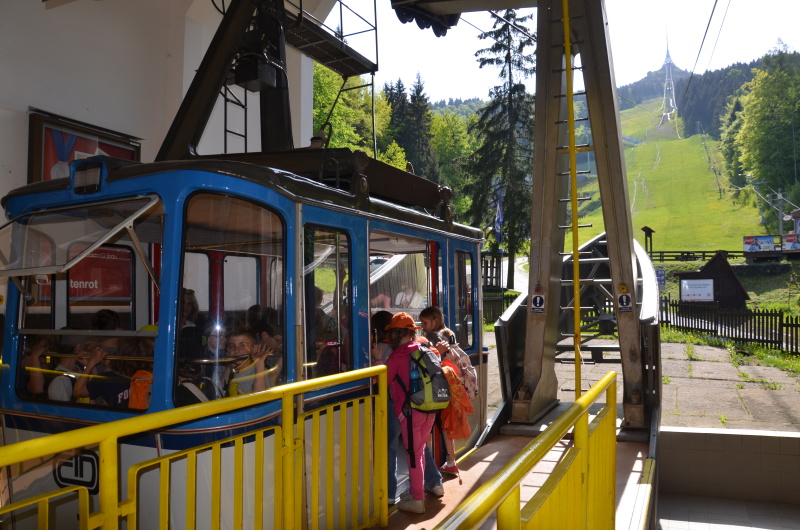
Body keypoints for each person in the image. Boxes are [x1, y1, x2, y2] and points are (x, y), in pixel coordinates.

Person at [385, 312, 439, 514]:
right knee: (420, 451)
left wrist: (378, 361)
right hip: (429, 409)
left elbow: (384, 382)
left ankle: (417, 500)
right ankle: (419, 491)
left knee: (413, 456)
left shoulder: (396, 356)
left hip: (409, 412)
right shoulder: (424, 349)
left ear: (395, 334)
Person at [419, 306, 473, 477]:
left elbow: (432, 362)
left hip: (437, 387)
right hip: (450, 385)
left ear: (435, 321)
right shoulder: (448, 333)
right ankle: (451, 461)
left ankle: (426, 464)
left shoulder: (432, 337)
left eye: (425, 322)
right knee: (445, 426)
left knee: (427, 425)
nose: (422, 326)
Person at [370, 311, 400, 505]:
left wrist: (376, 359)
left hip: (389, 401)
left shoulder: (381, 349)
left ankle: (389, 491)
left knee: (388, 445)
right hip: (405, 401)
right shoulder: (402, 348)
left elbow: (379, 380)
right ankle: (433, 480)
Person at [73, 337, 153, 408]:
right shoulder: (152, 378)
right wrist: (107, 367)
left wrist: (90, 364)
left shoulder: (106, 380)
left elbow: (77, 391)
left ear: (120, 355)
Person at [223, 328, 277, 396]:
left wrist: (259, 363)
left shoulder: (258, 371)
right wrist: (229, 367)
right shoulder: (234, 371)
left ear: (254, 348)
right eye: (232, 346)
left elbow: (259, 397)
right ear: (228, 350)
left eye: (242, 345)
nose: (236, 350)